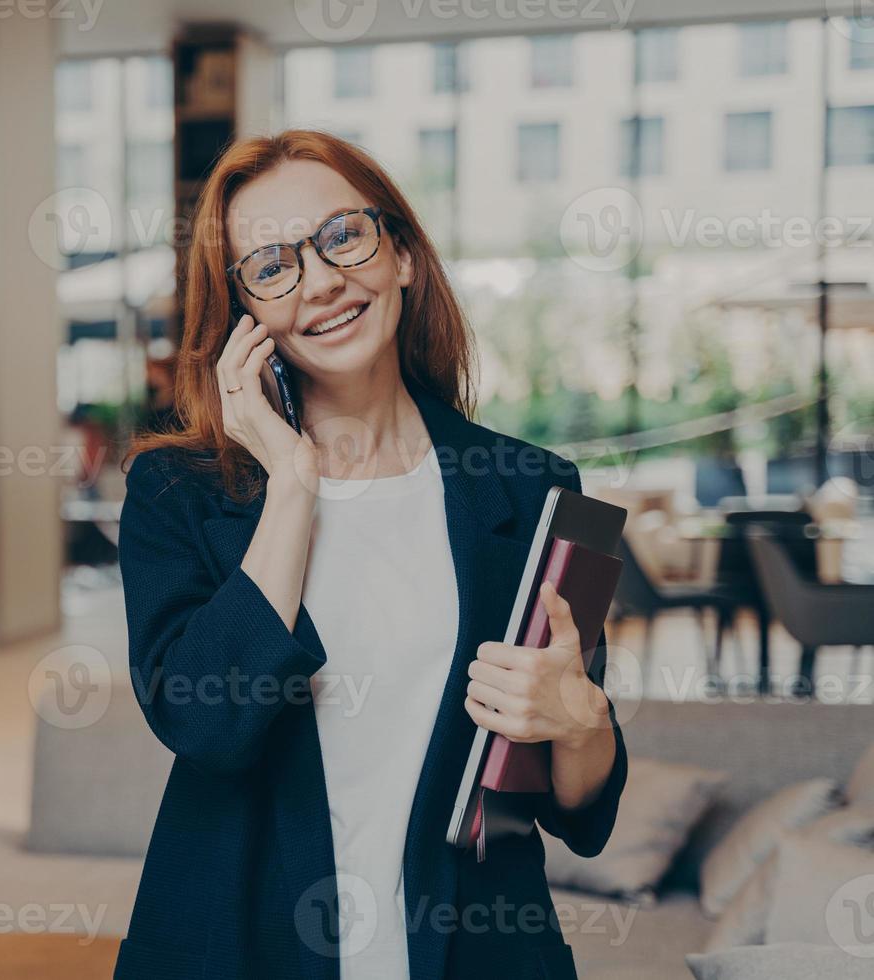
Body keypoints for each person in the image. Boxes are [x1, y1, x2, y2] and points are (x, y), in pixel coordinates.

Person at [115, 129, 626, 980]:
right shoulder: (177, 494)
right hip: (239, 949)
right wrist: (292, 483)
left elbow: (576, 811)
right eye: (272, 265)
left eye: (342, 236)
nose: (320, 281)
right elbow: (208, 728)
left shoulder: (531, 488)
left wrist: (582, 722)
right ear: (245, 315)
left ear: (403, 257)